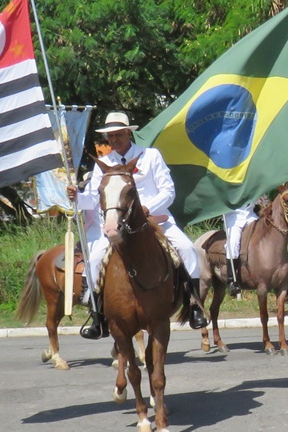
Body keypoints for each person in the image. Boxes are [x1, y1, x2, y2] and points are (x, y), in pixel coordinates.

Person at [67, 111, 207, 339]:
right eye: (110, 136)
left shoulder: (150, 156)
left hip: (155, 220)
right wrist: (77, 197)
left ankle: (194, 305)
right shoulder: (104, 163)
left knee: (187, 249)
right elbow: (92, 199)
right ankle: (97, 316)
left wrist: (148, 208)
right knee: (95, 259)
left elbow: (168, 191)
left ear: (128, 133)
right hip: (117, 225)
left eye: (119, 135)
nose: (114, 140)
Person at [222, 203, 258, 296]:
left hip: (251, 215)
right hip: (234, 216)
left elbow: (262, 200)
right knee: (233, 243)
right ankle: (231, 280)